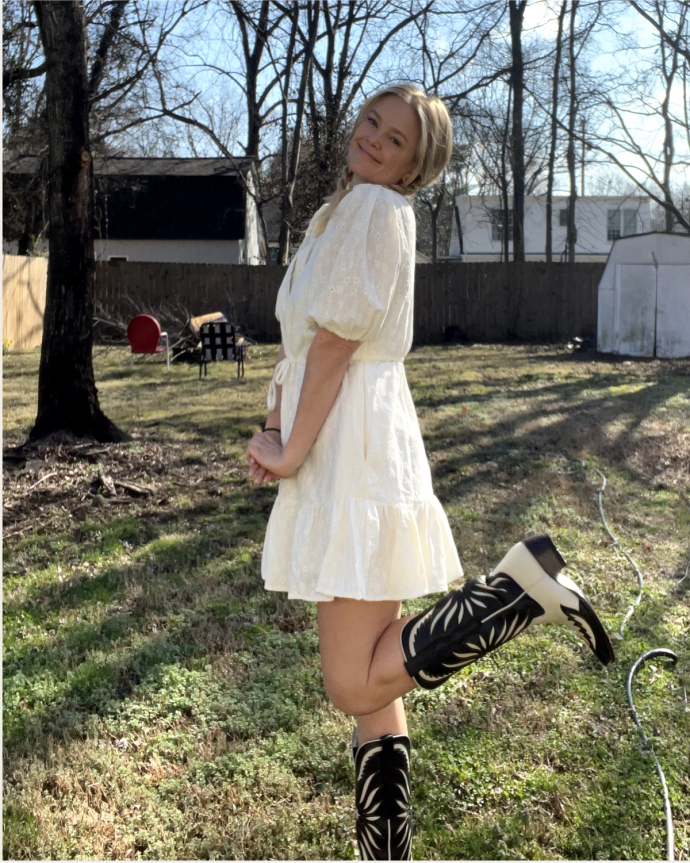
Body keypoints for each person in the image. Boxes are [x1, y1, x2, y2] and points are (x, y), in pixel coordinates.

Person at [246, 84, 615, 861]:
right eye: (372, 123)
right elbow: (306, 344)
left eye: (397, 141)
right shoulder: (344, 211)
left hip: (352, 442)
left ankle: (514, 593)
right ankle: (388, 854)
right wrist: (275, 427)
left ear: (416, 168)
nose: (375, 140)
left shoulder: (378, 211)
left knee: (352, 682)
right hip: (346, 433)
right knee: (375, 690)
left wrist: (292, 446)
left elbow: (339, 346)